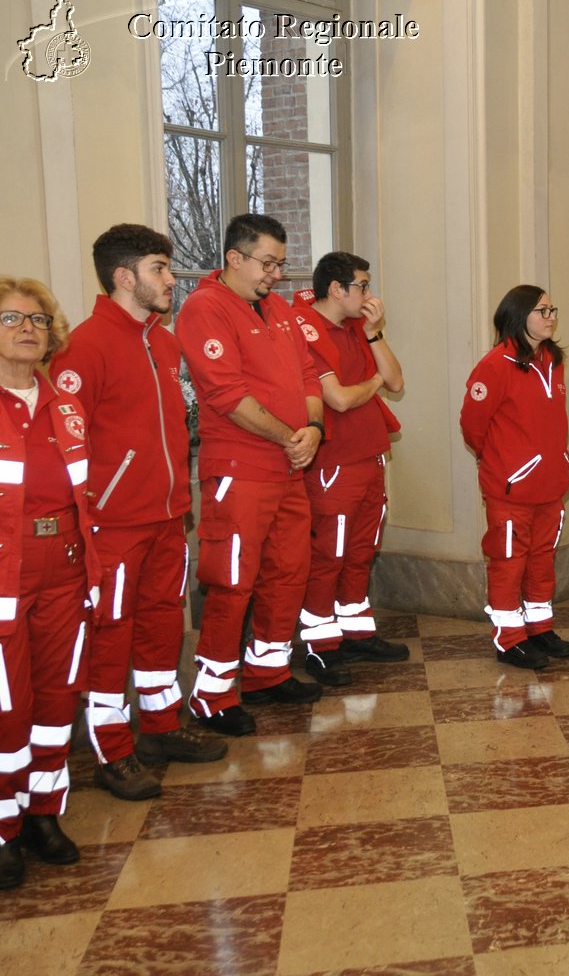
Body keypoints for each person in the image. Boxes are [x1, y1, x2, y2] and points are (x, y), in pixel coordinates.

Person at [49, 225, 227, 801]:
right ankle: (112, 750)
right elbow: (69, 443)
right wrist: (97, 510)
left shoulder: (165, 342)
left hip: (169, 515)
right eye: (159, 268)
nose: (171, 279)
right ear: (124, 277)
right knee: (112, 635)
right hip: (114, 526)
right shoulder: (85, 346)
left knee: (160, 624)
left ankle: (161, 726)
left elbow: (176, 423)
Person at [178, 213, 325, 737]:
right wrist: (292, 437)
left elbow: (309, 374)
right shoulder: (204, 308)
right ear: (234, 259)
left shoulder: (279, 309)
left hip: (290, 467)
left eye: (281, 264)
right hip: (240, 471)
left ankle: (267, 670)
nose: (276, 275)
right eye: (267, 263)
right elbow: (226, 396)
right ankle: (212, 693)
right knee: (233, 581)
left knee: (289, 570)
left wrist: (312, 427)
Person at [0, 278, 98, 888]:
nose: (27, 328)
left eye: (37, 319)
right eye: (11, 319)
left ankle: (43, 811)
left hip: (64, 569)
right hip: (6, 575)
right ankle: (3, 825)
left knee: (58, 697)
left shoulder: (65, 404)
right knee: (9, 706)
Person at [289, 251, 409, 686]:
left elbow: (396, 381)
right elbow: (337, 399)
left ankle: (356, 633)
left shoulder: (360, 327)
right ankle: (321, 647)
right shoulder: (305, 327)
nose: (369, 294)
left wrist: (375, 337)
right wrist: (373, 382)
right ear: (337, 289)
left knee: (361, 551)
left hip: (370, 454)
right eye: (361, 285)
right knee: (329, 556)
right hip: (333, 464)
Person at [460, 285, 569, 670]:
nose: (550, 317)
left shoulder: (552, 361)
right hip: (511, 489)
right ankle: (509, 639)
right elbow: (473, 426)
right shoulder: (495, 365)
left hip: (551, 486)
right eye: (542, 310)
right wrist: (503, 463)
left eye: (552, 309)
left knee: (542, 561)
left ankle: (539, 628)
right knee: (508, 564)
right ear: (518, 314)